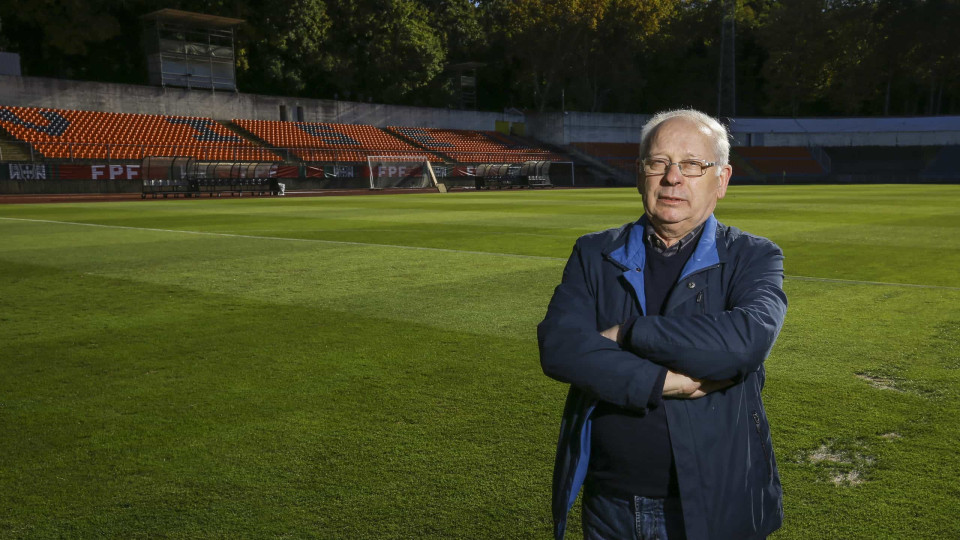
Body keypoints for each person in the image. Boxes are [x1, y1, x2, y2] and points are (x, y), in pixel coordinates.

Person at [538, 109, 787, 540]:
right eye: (659, 163)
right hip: (609, 503)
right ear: (640, 174)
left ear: (722, 179)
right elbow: (560, 348)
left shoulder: (754, 256)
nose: (673, 177)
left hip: (715, 502)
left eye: (693, 165)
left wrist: (629, 332)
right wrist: (665, 381)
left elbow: (745, 341)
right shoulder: (594, 252)